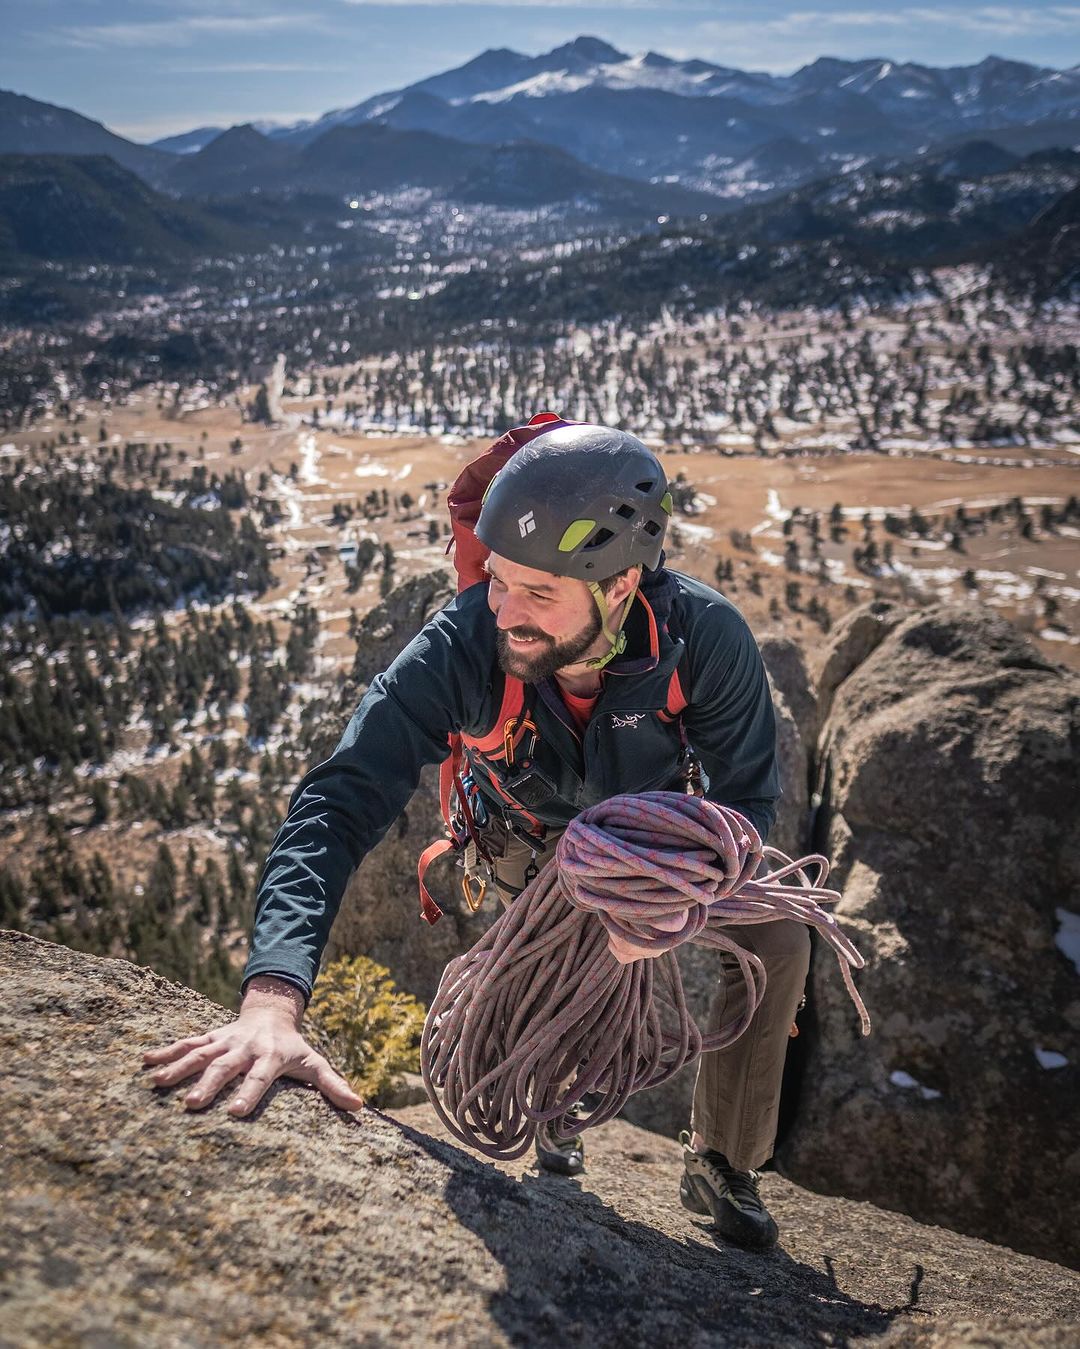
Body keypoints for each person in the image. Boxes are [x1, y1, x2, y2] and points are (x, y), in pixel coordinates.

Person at [145, 423, 806, 1252]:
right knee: (554, 951)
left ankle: (723, 1159)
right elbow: (336, 801)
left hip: (661, 856)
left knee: (778, 937)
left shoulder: (703, 640)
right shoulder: (461, 646)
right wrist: (271, 1003)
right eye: (498, 580)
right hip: (528, 854)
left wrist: (669, 897)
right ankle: (555, 1100)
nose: (506, 613)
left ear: (624, 581)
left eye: (538, 591)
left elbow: (746, 803)